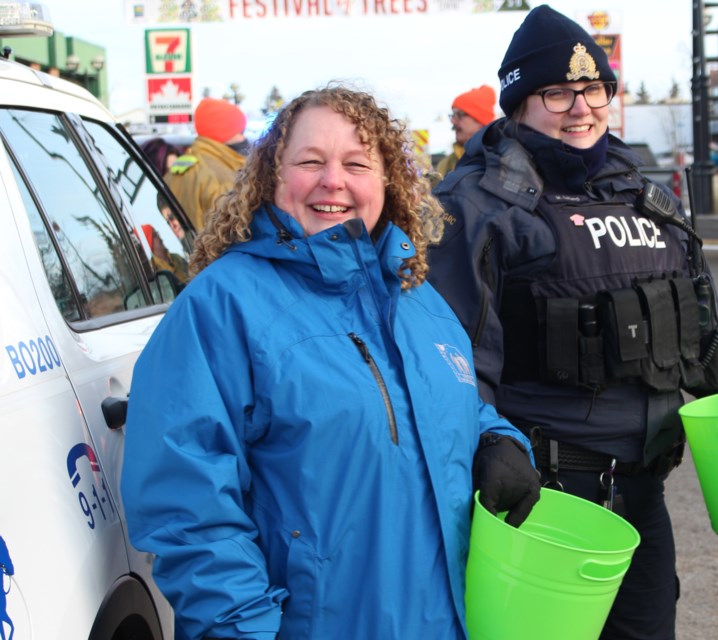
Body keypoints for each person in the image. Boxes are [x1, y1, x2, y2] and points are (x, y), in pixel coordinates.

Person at [121, 84, 541, 640]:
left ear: (387, 181)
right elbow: (187, 501)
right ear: (273, 176)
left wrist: (496, 438)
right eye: (310, 161)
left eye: (356, 163)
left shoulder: (421, 301)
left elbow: (443, 405)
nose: (333, 181)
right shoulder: (223, 306)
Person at [426, 6, 718, 640]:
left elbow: (689, 318)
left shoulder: (644, 195)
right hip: (540, 499)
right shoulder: (476, 207)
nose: (580, 107)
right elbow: (449, 358)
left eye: (593, 89)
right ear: (517, 104)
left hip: (642, 493)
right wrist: (486, 445)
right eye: (557, 93)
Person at [164, 97, 249, 232]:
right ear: (223, 132)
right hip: (209, 252)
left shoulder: (182, 164)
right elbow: (233, 233)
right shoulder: (222, 177)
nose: (244, 138)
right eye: (240, 132)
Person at [435, 84, 496, 177]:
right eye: (452, 115)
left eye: (459, 114)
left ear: (480, 121)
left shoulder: (500, 160)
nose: (453, 121)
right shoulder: (445, 165)